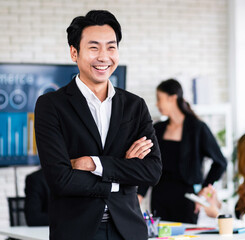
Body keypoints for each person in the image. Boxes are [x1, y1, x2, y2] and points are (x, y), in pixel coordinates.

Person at [34, 10, 162, 240]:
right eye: (94, 47)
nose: (104, 56)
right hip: (76, 232)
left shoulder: (135, 106)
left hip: (128, 231)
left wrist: (93, 164)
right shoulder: (51, 105)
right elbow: (60, 179)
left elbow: (152, 171)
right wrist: (122, 172)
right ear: (74, 52)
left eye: (111, 47)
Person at [137, 79, 227, 224]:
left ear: (172, 98)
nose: (157, 104)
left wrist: (204, 191)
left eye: (159, 99)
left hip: (187, 199)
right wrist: (139, 194)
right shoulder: (158, 129)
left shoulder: (197, 128)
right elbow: (149, 164)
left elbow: (220, 162)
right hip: (160, 197)